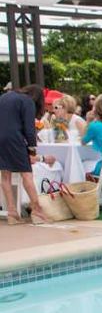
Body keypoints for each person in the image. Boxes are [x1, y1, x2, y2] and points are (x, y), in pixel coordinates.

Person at [0, 84, 49, 224]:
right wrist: (32, 149)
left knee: (5, 175)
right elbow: (29, 128)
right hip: (14, 139)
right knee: (26, 174)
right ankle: (37, 211)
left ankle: (12, 213)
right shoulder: (27, 101)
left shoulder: (4, 97)